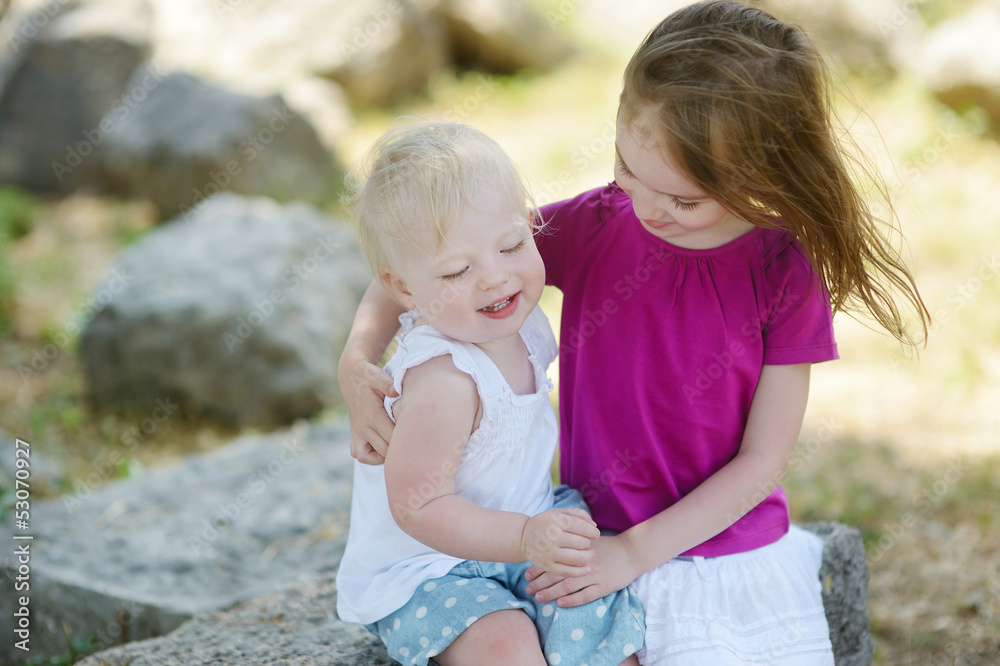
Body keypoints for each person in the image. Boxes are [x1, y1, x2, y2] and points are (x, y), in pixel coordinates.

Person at [338, 3, 931, 663]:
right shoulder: (598, 225)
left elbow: (765, 458)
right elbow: (424, 264)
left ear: (765, 173)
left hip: (720, 543)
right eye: (626, 167)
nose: (647, 208)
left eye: (683, 200)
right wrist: (356, 360)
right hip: (587, 534)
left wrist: (634, 553)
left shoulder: (783, 273)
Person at [334, 121, 644, 666]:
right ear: (405, 288)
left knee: (594, 615)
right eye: (457, 270)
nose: (495, 278)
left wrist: (532, 537)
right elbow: (418, 507)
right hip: (431, 564)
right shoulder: (444, 381)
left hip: (527, 523)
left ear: (529, 226)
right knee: (503, 644)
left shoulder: (514, 319)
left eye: (512, 244)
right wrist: (525, 538)